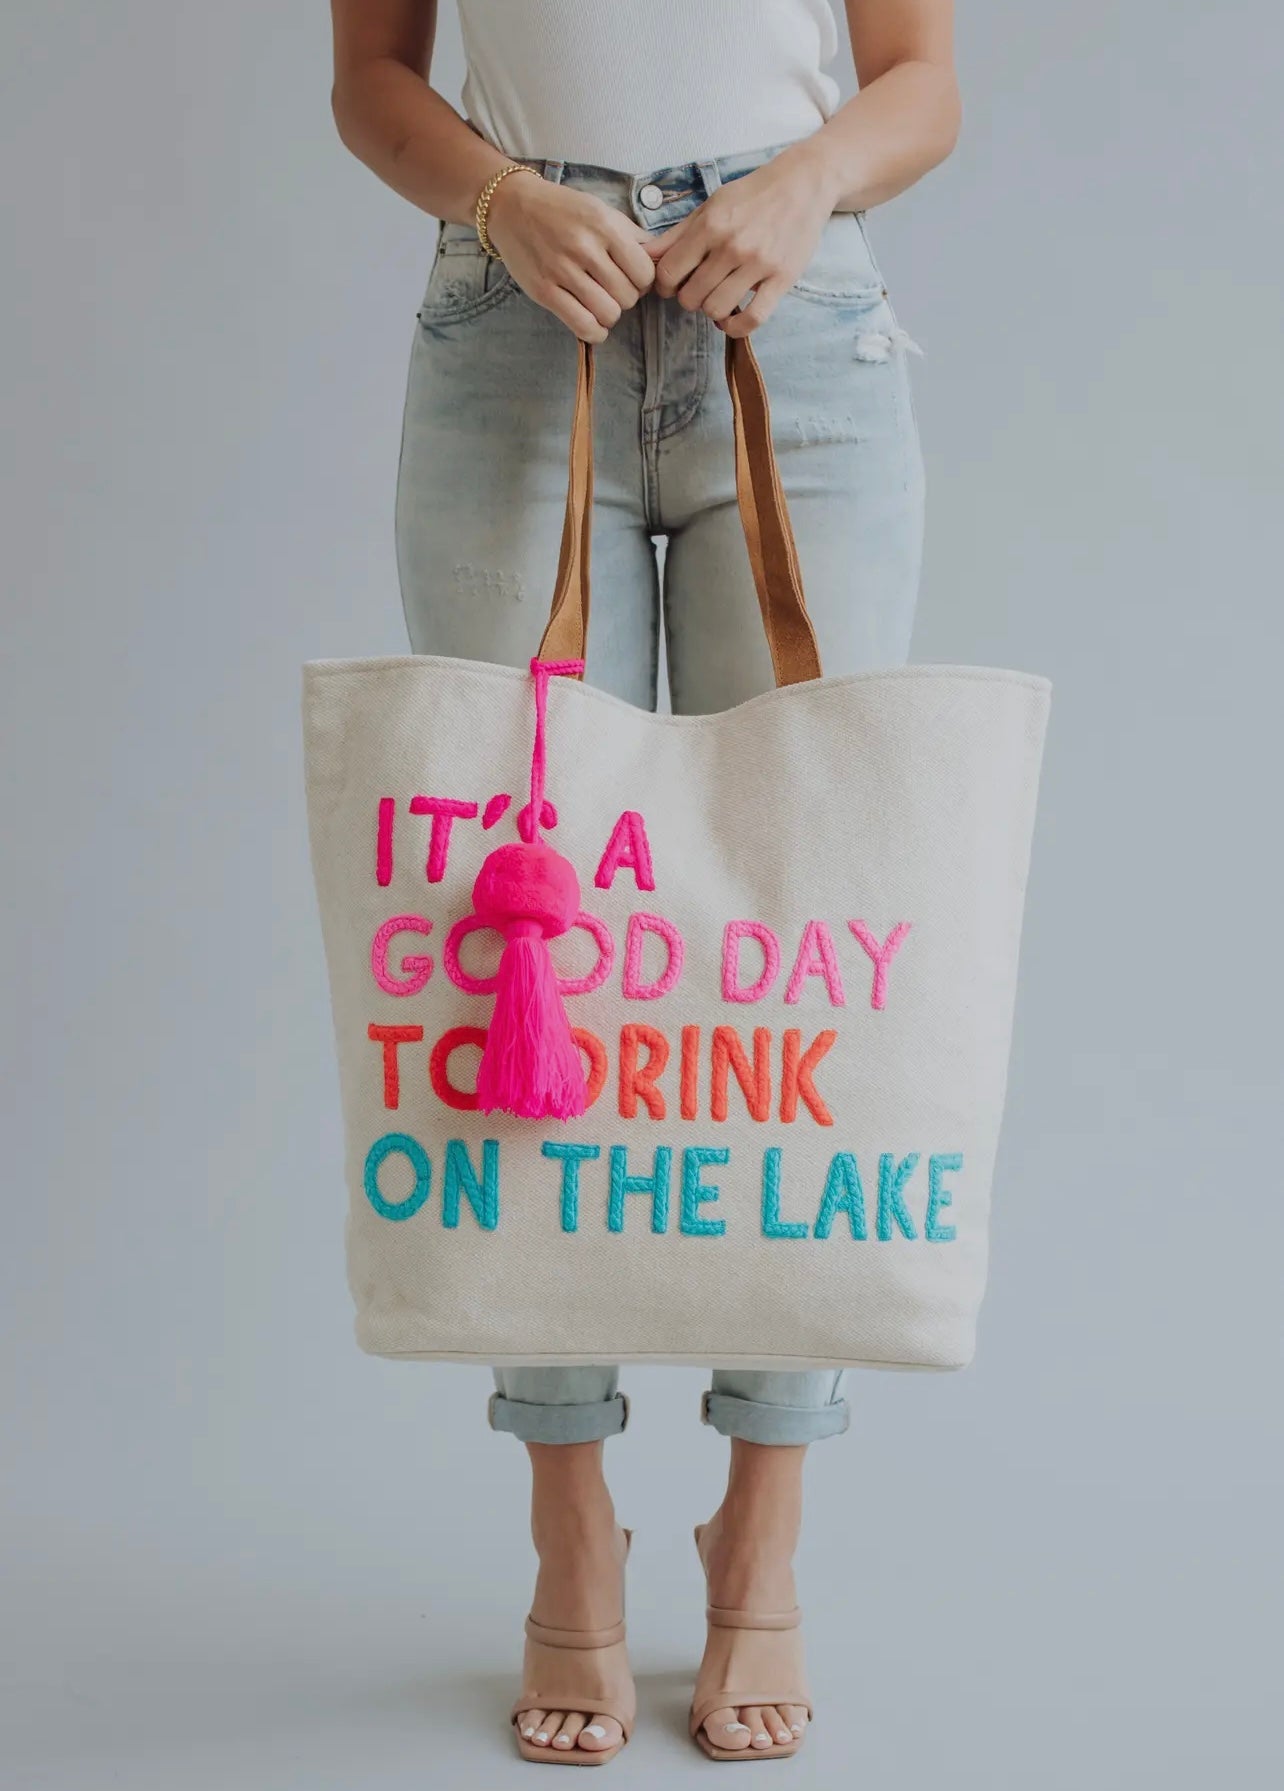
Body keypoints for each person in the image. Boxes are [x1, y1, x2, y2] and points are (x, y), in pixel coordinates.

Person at [330, 0, 959, 1764]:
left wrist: (808, 181)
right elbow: (372, 87)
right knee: (522, 940)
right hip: (522, 321)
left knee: (798, 949)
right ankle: (569, 1531)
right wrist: (500, 199)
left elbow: (925, 85)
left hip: (796, 314)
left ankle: (762, 1530)